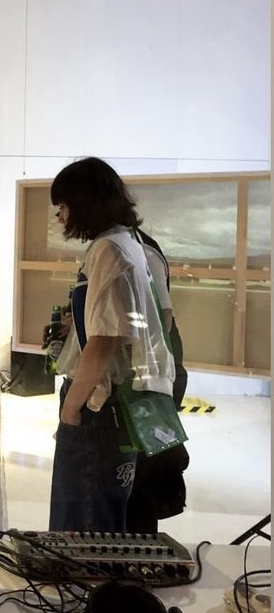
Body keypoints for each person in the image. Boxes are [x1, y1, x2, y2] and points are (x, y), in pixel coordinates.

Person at [48, 157, 176, 533]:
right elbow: (160, 318)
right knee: (105, 517)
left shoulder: (108, 249)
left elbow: (104, 341)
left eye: (63, 206)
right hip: (122, 405)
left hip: (99, 407)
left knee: (82, 524)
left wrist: (71, 408)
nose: (60, 217)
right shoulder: (131, 243)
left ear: (83, 203)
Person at [125, 228, 190, 533]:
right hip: (148, 371)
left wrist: (139, 364)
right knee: (136, 473)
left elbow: (163, 315)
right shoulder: (125, 246)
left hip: (152, 375)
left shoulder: (141, 251)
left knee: (143, 476)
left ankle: (140, 546)